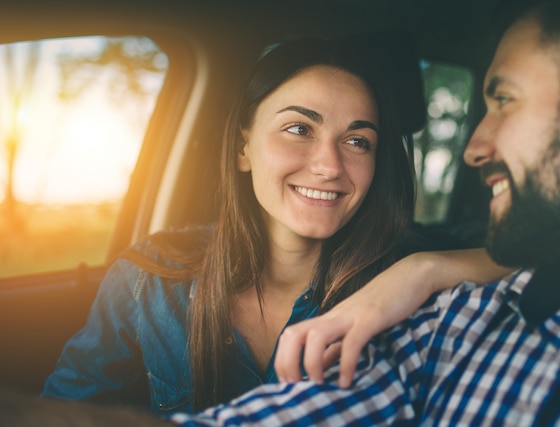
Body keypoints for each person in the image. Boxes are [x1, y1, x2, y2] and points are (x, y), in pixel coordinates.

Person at [40, 36, 507, 416]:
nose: (329, 165)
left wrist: (421, 272)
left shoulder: (410, 289)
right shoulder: (149, 279)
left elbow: (553, 260)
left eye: (357, 141)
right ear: (243, 149)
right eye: (300, 129)